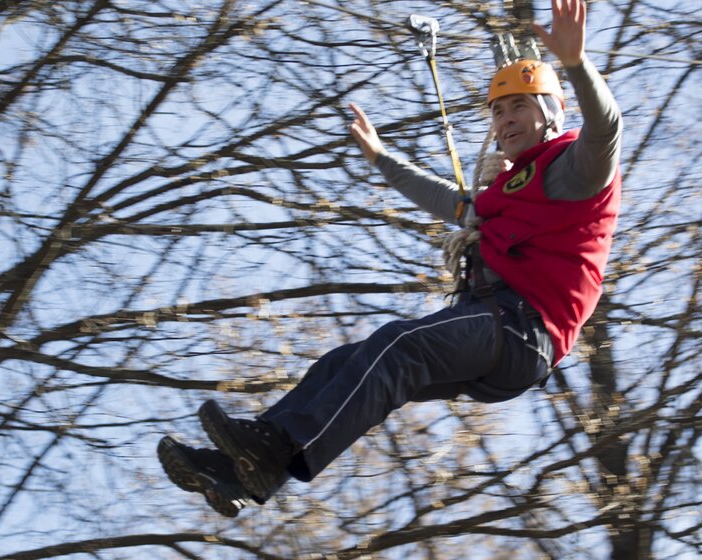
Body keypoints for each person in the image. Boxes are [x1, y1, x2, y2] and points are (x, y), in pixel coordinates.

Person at [158, 0, 621, 518]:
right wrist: (381, 158)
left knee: (398, 345)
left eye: (519, 107)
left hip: (523, 330)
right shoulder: (505, 191)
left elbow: (607, 129)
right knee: (345, 364)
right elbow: (448, 201)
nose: (506, 119)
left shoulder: (574, 169)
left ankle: (268, 451)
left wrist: (576, 65)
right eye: (498, 110)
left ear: (549, 113)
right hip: (494, 331)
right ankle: (243, 471)